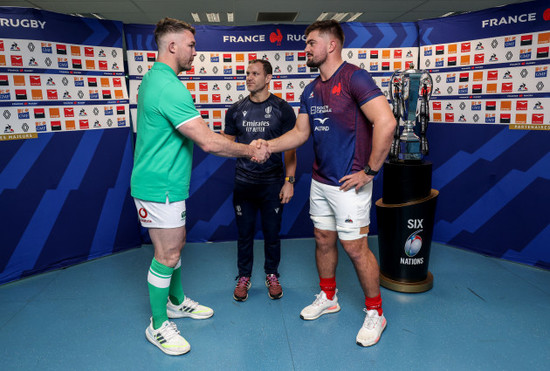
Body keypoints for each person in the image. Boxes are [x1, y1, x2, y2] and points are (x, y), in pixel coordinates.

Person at [130, 18, 269, 356]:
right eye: (190, 45)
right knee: (168, 254)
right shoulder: (168, 86)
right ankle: (158, 324)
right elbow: (208, 142)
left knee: (175, 246)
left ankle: (176, 302)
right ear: (172, 46)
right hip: (158, 185)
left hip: (167, 184)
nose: (195, 50)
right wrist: (251, 150)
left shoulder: (156, 78)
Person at [263, 20, 397, 347]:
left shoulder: (355, 77)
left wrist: (370, 171)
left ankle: (375, 312)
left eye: (311, 43)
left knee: (354, 247)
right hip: (321, 181)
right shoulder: (310, 89)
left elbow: (386, 121)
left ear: (331, 45)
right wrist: (266, 145)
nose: (305, 49)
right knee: (323, 239)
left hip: (349, 183)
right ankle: (328, 296)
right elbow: (300, 133)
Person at [222, 59, 297, 302]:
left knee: (272, 233)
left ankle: (272, 274)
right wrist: (245, 149)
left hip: (272, 184)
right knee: (244, 234)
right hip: (244, 183)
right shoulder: (235, 109)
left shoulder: (282, 109)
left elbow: (291, 148)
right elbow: (226, 144)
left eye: (255, 73)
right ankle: (244, 277)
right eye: (247, 73)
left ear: (268, 78)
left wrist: (289, 181)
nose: (249, 77)